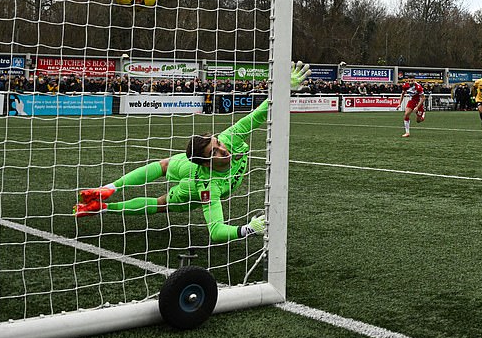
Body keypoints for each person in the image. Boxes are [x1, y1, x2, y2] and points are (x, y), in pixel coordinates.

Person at [73, 62, 312, 243]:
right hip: (190, 184)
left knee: (165, 164)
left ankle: (109, 191)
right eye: (215, 152)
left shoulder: (230, 137)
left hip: (186, 164)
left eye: (217, 143)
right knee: (162, 204)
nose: (223, 149)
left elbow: (261, 113)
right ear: (206, 163)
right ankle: (105, 207)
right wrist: (248, 228)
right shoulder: (206, 187)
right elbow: (216, 231)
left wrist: (284, 89)